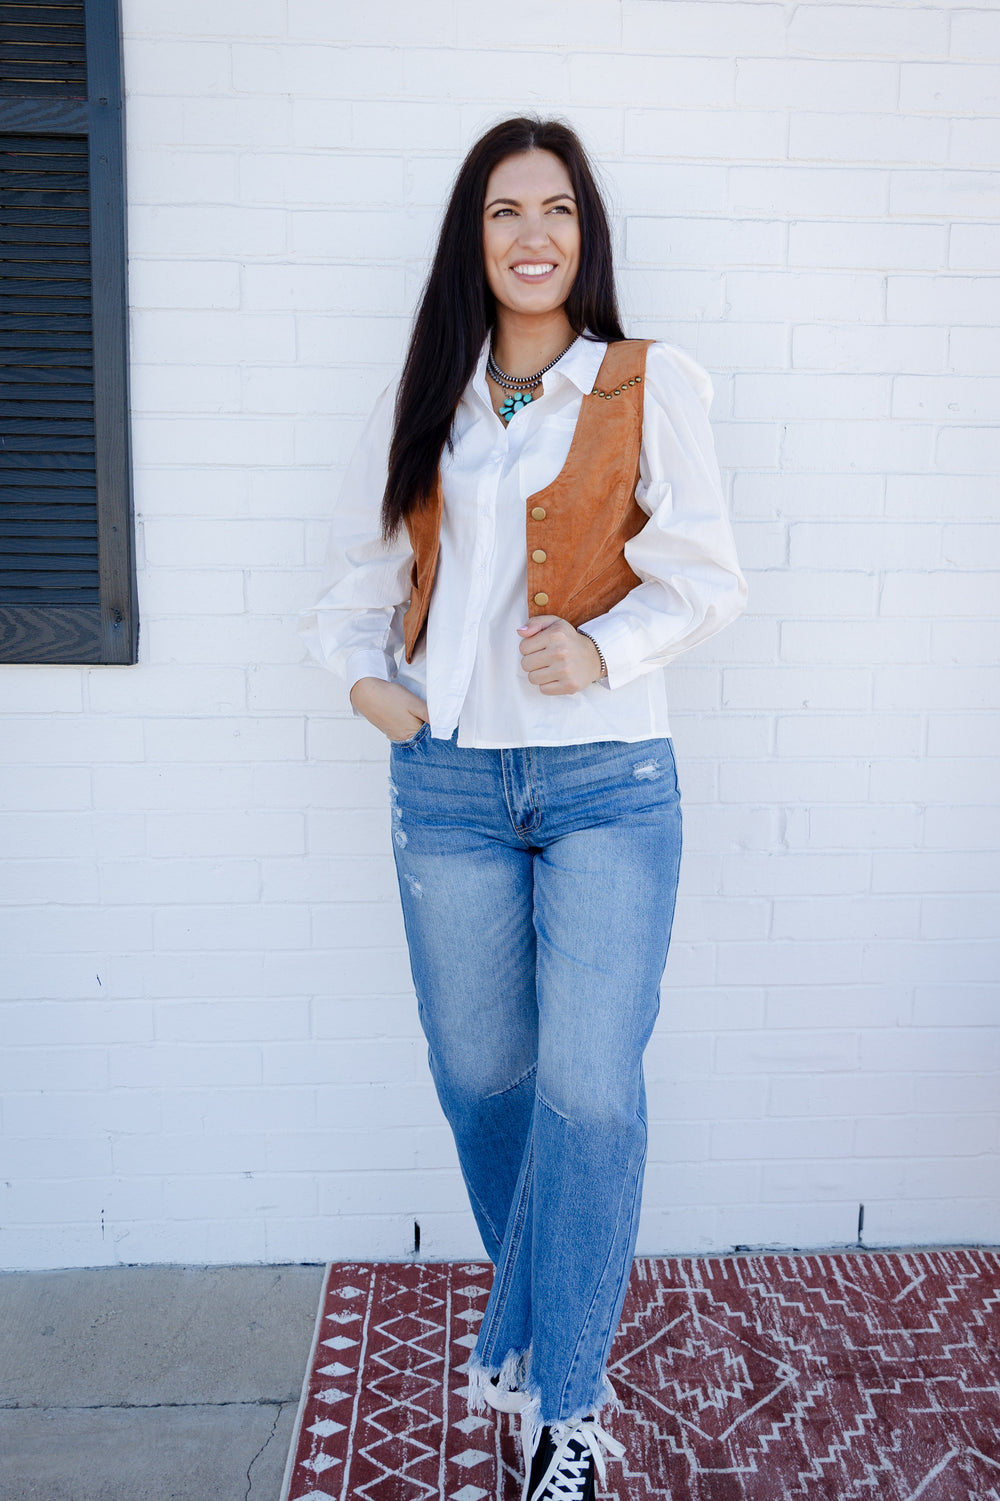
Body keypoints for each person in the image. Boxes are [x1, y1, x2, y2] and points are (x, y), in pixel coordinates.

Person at [299, 116, 747, 1501]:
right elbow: (360, 595)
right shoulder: (434, 396)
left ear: (586, 233)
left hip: (610, 777)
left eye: (557, 209)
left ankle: (566, 1402)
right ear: (474, 238)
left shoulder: (643, 384)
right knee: (484, 1080)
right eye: (505, 211)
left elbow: (710, 576)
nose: (533, 234)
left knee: (591, 1092)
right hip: (448, 786)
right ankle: (537, 1322)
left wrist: (602, 651)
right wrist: (371, 688)